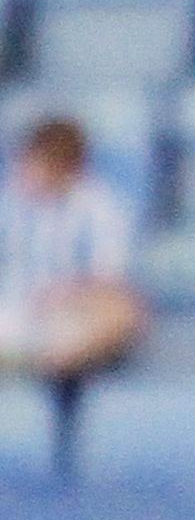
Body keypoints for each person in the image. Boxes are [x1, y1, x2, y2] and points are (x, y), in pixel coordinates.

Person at [0, 116, 145, 394]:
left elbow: (108, 279)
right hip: (13, 313)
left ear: (66, 167)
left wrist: (62, 295)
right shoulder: (9, 205)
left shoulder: (100, 209)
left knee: (125, 311)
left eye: (37, 164)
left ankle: (47, 367)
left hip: (69, 319)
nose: (26, 172)